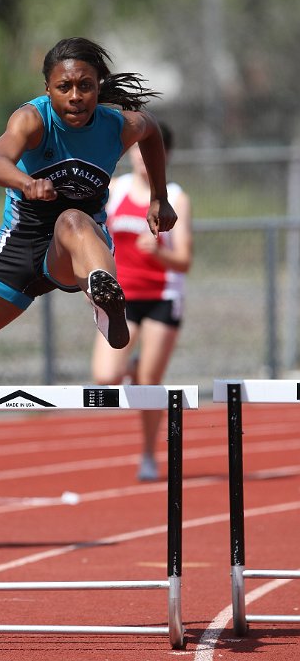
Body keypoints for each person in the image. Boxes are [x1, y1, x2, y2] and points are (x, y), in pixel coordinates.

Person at [0, 37, 178, 376]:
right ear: (48, 89)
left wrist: (159, 196)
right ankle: (94, 292)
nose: (75, 97)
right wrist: (27, 183)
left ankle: (106, 301)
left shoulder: (116, 127)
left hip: (76, 249)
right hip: (19, 249)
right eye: (64, 87)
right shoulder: (32, 120)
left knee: (72, 220)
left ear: (98, 88)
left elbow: (152, 130)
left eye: (85, 86)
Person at [91, 122, 193, 481]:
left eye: (150, 152)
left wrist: (160, 252)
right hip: (123, 298)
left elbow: (185, 261)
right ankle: (130, 366)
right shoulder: (115, 191)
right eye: (136, 149)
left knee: (150, 382)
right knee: (105, 376)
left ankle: (149, 454)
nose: (142, 157)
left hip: (162, 298)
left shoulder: (176, 198)